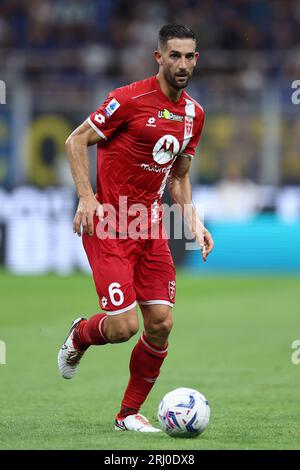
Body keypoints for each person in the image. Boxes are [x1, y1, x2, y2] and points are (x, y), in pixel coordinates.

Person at [58, 24, 214, 432]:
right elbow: (76, 141)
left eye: (189, 56)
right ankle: (81, 335)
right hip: (109, 222)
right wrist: (87, 197)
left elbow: (179, 177)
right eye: (175, 55)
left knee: (161, 323)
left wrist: (192, 222)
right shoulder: (128, 99)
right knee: (124, 327)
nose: (183, 64)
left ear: (197, 59)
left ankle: (127, 415)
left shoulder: (194, 115)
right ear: (158, 58)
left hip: (151, 226)